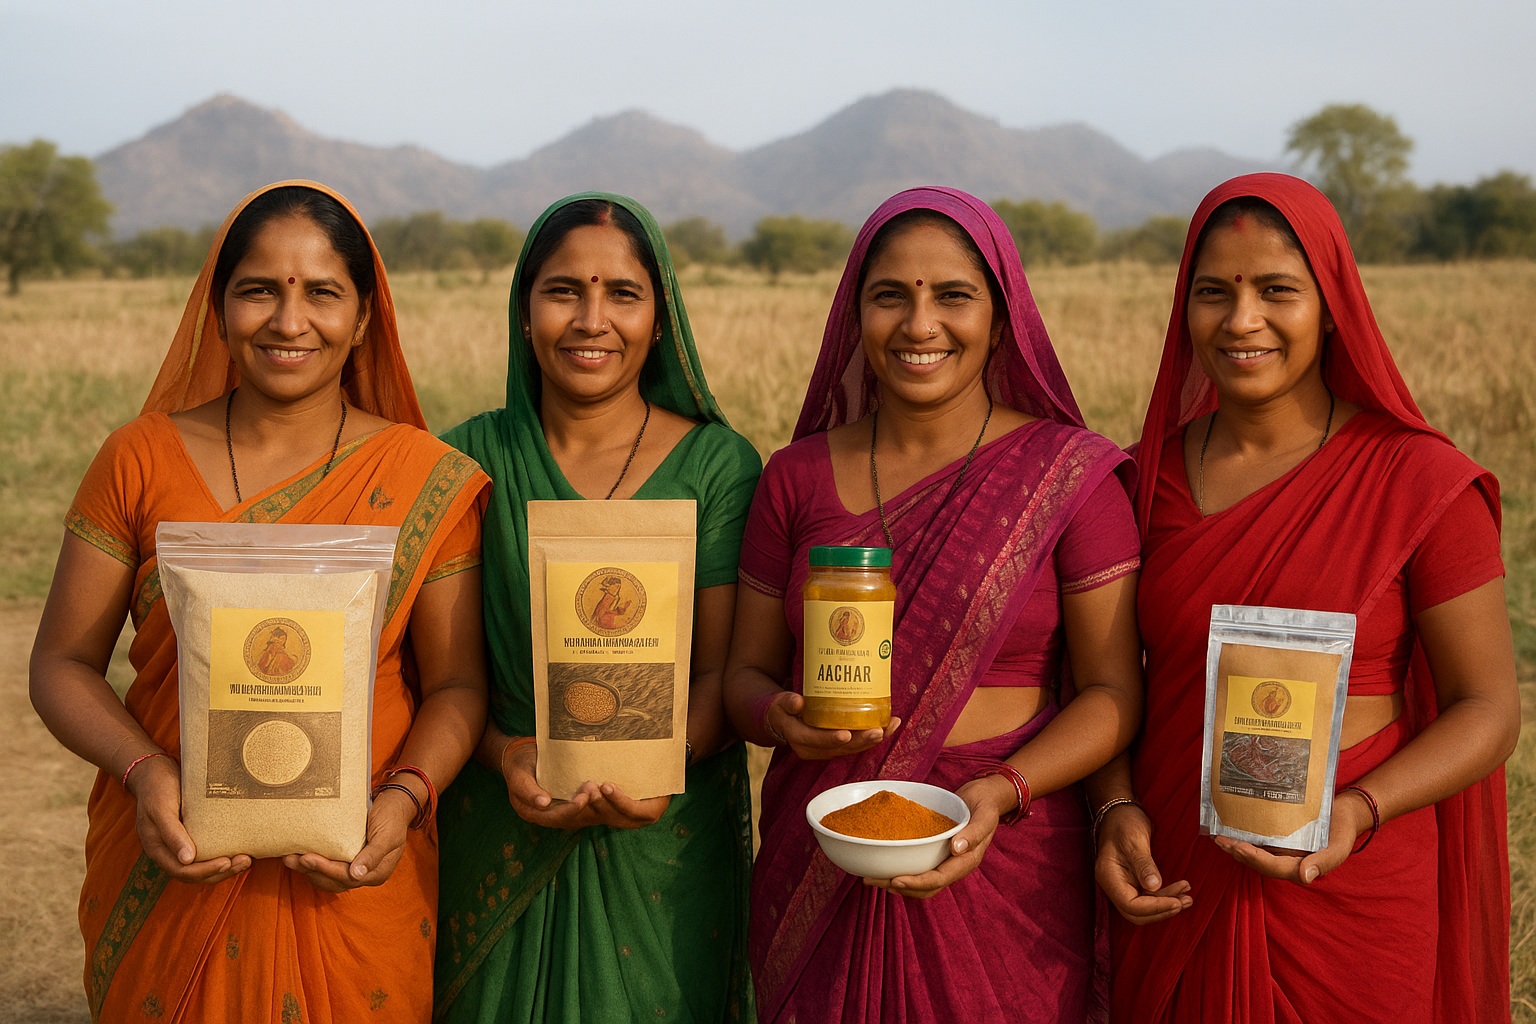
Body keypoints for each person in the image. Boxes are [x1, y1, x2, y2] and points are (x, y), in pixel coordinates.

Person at [27, 181, 491, 1024]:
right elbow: (61, 663)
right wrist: (145, 773)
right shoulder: (139, 459)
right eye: (258, 290)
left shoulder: (420, 475)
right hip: (171, 856)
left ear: (363, 315)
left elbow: (458, 685)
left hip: (356, 883)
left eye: (321, 292)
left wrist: (406, 798)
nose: (288, 321)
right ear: (219, 307)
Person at [1092, 173, 1518, 1023]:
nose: (1241, 319)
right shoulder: (1141, 485)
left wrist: (1362, 810)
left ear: (1332, 307)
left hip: (1353, 882)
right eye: (1213, 292)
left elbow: (1488, 708)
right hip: (1176, 874)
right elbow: (1107, 682)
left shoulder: (1418, 481)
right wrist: (1114, 805)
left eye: (1277, 290)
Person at [724, 187, 1145, 1023]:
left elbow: (1111, 692)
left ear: (1002, 316)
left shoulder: (1068, 477)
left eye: (953, 295)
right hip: (828, 847)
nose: (921, 326)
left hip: (1008, 853)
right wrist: (780, 718)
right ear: (857, 314)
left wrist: (1005, 789)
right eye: (891, 296)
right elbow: (743, 673)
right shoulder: (795, 477)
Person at [433, 193, 762, 1023]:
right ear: (523, 312)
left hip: (666, 838)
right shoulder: (465, 462)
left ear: (661, 319)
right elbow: (444, 678)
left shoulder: (718, 466)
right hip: (501, 823)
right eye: (561, 291)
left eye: (622, 293)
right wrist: (508, 755)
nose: (591, 320)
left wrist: (662, 767)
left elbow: (723, 671)